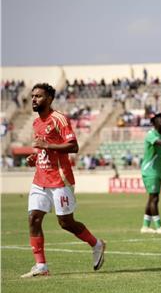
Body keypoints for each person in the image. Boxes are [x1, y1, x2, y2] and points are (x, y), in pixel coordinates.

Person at [22, 83, 105, 278]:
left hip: (60, 179)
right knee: (33, 218)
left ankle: (97, 244)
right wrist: (36, 156)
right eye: (33, 96)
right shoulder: (36, 123)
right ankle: (41, 265)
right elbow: (43, 147)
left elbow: (73, 146)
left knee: (66, 223)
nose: (34, 99)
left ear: (49, 99)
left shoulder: (59, 119)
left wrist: (47, 145)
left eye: (39, 96)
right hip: (40, 179)